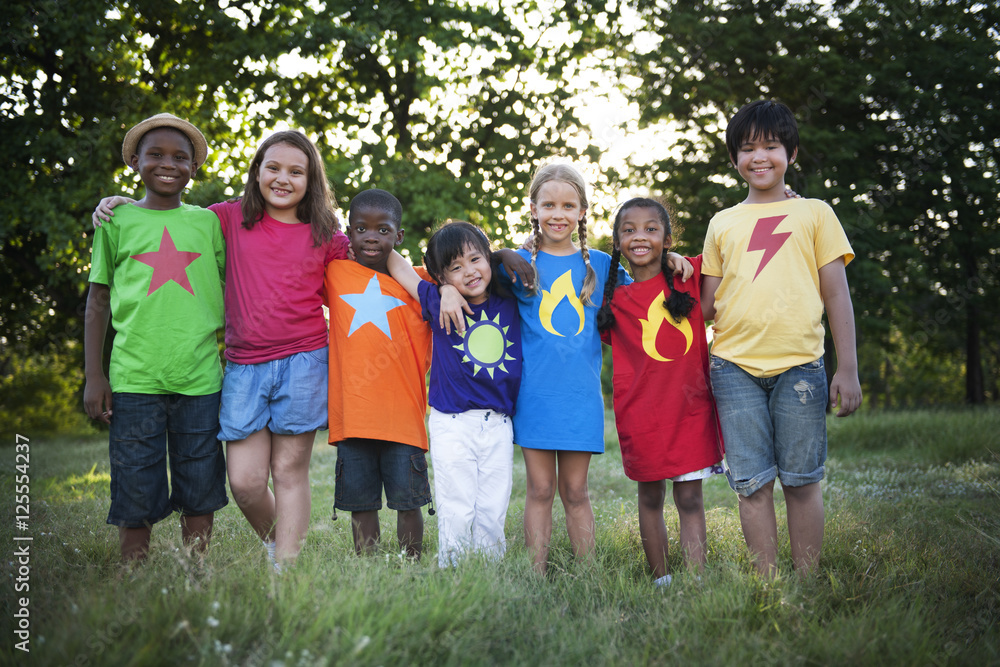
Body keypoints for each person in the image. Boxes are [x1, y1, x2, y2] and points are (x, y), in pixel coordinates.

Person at [94, 130, 347, 571]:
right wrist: (119, 201)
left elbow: (371, 262)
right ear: (256, 172)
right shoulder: (225, 219)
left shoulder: (325, 233)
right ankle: (277, 539)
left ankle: (287, 566)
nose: (282, 178)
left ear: (312, 180)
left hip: (304, 362)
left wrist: (438, 286)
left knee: (289, 470)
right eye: (273, 167)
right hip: (244, 367)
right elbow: (167, 216)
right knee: (245, 482)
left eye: (296, 171)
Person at [500, 162, 689, 574]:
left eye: (569, 205)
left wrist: (671, 256)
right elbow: (465, 267)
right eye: (548, 204)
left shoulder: (600, 266)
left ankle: (587, 574)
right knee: (539, 489)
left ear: (583, 212)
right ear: (532, 208)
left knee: (576, 490)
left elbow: (646, 280)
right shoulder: (517, 264)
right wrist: (499, 252)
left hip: (581, 397)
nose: (558, 214)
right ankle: (536, 573)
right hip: (534, 395)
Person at [701, 99, 862, 578]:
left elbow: (837, 295)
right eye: (748, 148)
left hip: (801, 366)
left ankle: (807, 581)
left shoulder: (815, 213)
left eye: (771, 146)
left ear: (791, 152)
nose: (760, 157)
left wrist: (847, 367)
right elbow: (706, 304)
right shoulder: (722, 223)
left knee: (801, 481)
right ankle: (768, 584)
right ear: (734, 160)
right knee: (751, 485)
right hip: (733, 368)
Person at [84, 113, 228, 562]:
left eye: (180, 157)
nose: (168, 164)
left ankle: (196, 569)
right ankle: (136, 573)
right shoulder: (115, 221)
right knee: (135, 482)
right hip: (134, 378)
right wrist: (94, 375)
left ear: (194, 168)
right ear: (134, 161)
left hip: (201, 377)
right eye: (156, 155)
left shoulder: (208, 224)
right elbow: (97, 302)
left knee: (200, 479)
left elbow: (234, 285)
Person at [596, 198, 724, 586]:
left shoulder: (689, 277)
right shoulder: (611, 300)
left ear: (667, 239)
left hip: (689, 411)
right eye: (629, 229)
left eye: (651, 229)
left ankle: (696, 580)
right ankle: (661, 580)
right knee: (650, 498)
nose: (640, 237)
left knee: (690, 500)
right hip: (642, 417)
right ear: (617, 242)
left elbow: (731, 247)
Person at [386, 221, 525, 568]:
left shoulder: (510, 298)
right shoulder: (437, 301)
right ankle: (453, 567)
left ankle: (489, 568)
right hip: (452, 422)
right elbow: (399, 265)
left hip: (498, 423)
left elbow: (529, 259)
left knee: (493, 504)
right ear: (442, 276)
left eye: (475, 260)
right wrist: (441, 287)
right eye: (455, 268)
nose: (469, 272)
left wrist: (504, 254)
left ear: (489, 259)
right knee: (456, 502)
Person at [324, 189, 433, 560]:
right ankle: (367, 567)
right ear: (348, 234)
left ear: (398, 237)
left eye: (383, 230)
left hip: (402, 418)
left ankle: (411, 565)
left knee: (409, 502)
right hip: (353, 416)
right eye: (361, 229)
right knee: (360, 503)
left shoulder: (420, 286)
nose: (371, 236)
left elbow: (470, 267)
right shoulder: (335, 273)